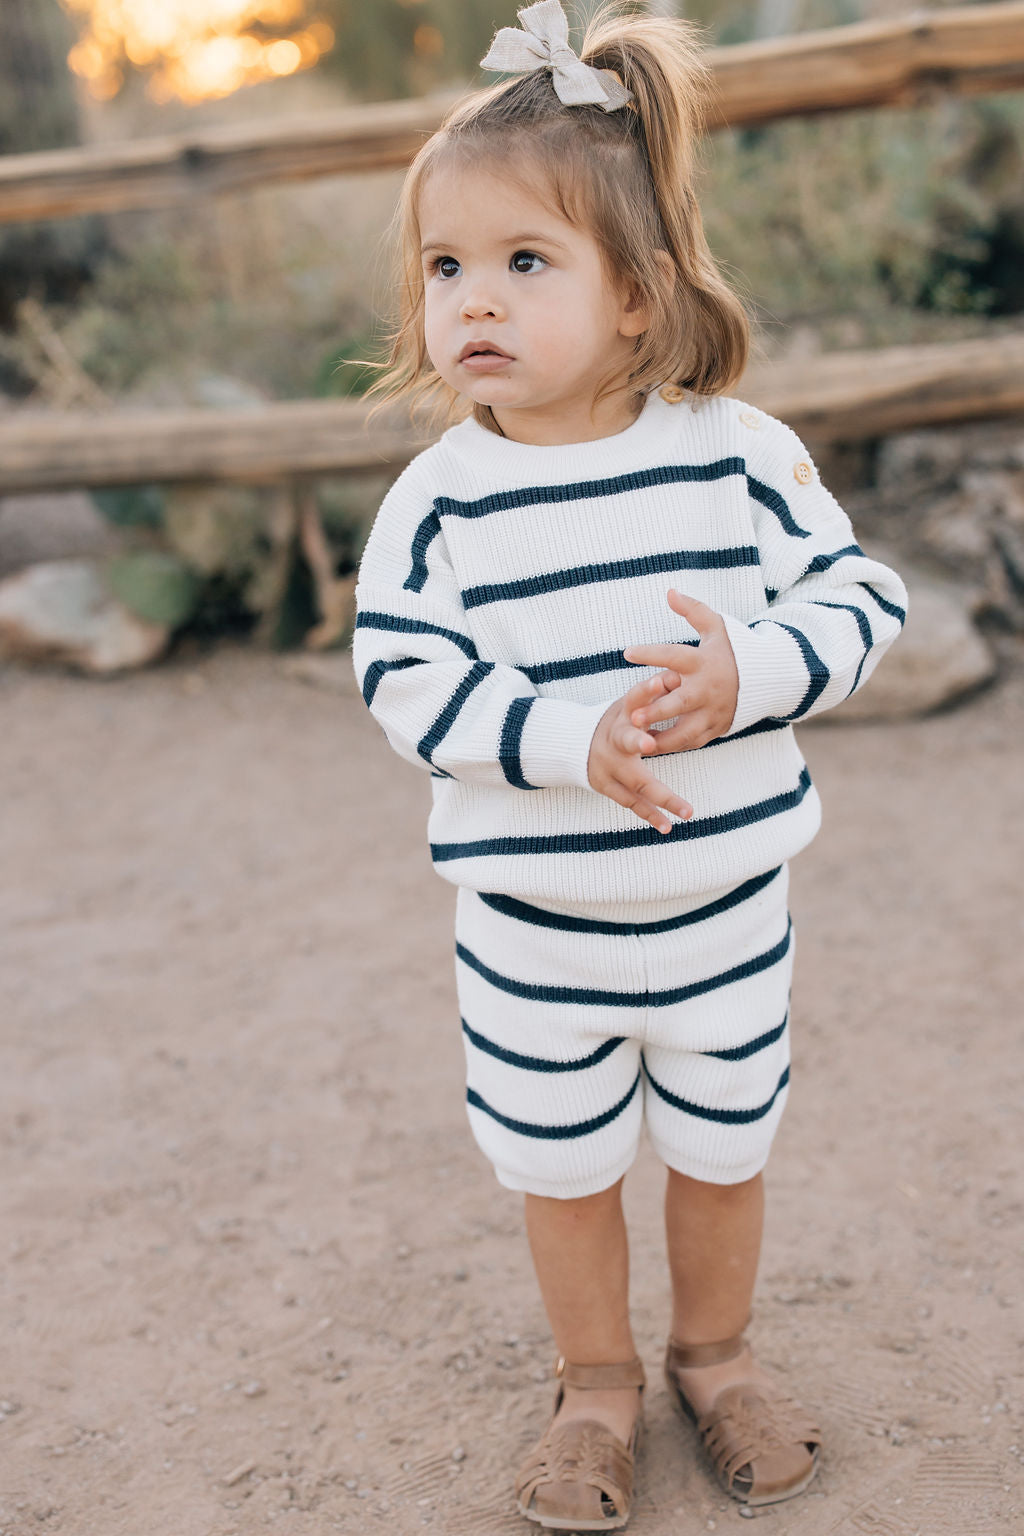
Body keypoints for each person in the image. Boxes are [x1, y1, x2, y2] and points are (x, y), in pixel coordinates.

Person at [352, 2, 907, 1527]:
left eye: (525, 263)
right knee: (565, 1165)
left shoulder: (735, 453)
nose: (472, 300)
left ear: (641, 300)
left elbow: (861, 599)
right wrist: (555, 738)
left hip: (726, 905)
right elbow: (402, 675)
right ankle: (594, 1384)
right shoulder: (441, 503)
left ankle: (716, 1358)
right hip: (534, 932)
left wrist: (754, 671)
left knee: (726, 1148)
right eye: (445, 266)